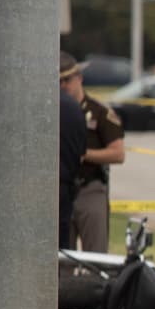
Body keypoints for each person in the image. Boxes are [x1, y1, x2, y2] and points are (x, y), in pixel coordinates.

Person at [60, 51, 124, 252]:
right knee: (62, 256)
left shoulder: (100, 112)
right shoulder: (54, 112)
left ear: (79, 78)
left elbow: (118, 153)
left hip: (90, 188)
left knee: (95, 256)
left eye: (67, 80)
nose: (63, 86)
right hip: (62, 190)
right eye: (58, 81)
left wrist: (85, 154)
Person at [59, 78, 88, 250]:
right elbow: (81, 152)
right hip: (65, 187)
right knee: (62, 248)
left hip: (35, 189)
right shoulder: (74, 107)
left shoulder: (28, 104)